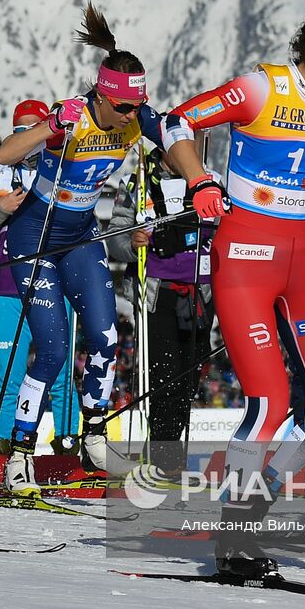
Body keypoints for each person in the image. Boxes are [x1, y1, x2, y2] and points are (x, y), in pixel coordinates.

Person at [165, 3, 305, 579]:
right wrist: (199, 181)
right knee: (269, 400)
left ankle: (257, 500)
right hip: (246, 258)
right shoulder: (261, 89)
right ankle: (235, 535)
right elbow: (175, 122)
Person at [0, 6, 168, 493]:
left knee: (106, 337)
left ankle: (94, 434)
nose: (133, 117)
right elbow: (5, 154)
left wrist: (197, 180)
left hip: (80, 236)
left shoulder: (135, 118)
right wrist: (50, 125)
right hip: (35, 237)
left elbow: (174, 140)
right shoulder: (74, 116)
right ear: (104, 96)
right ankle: (22, 454)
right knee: (51, 350)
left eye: (139, 108)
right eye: (126, 108)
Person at [0, 100, 80, 452]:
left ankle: (67, 442)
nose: (29, 138)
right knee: (9, 374)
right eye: (21, 131)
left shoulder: (66, 167)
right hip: (8, 288)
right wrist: (2, 210)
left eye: (37, 128)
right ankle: (4, 444)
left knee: (60, 373)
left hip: (54, 283)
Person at [105, 147, 214, 476]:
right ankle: (163, 456)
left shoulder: (210, 181)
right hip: (156, 295)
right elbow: (115, 240)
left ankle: (168, 449)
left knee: (189, 378)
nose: (185, 151)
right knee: (165, 376)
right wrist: (132, 242)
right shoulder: (136, 184)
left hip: (201, 294)